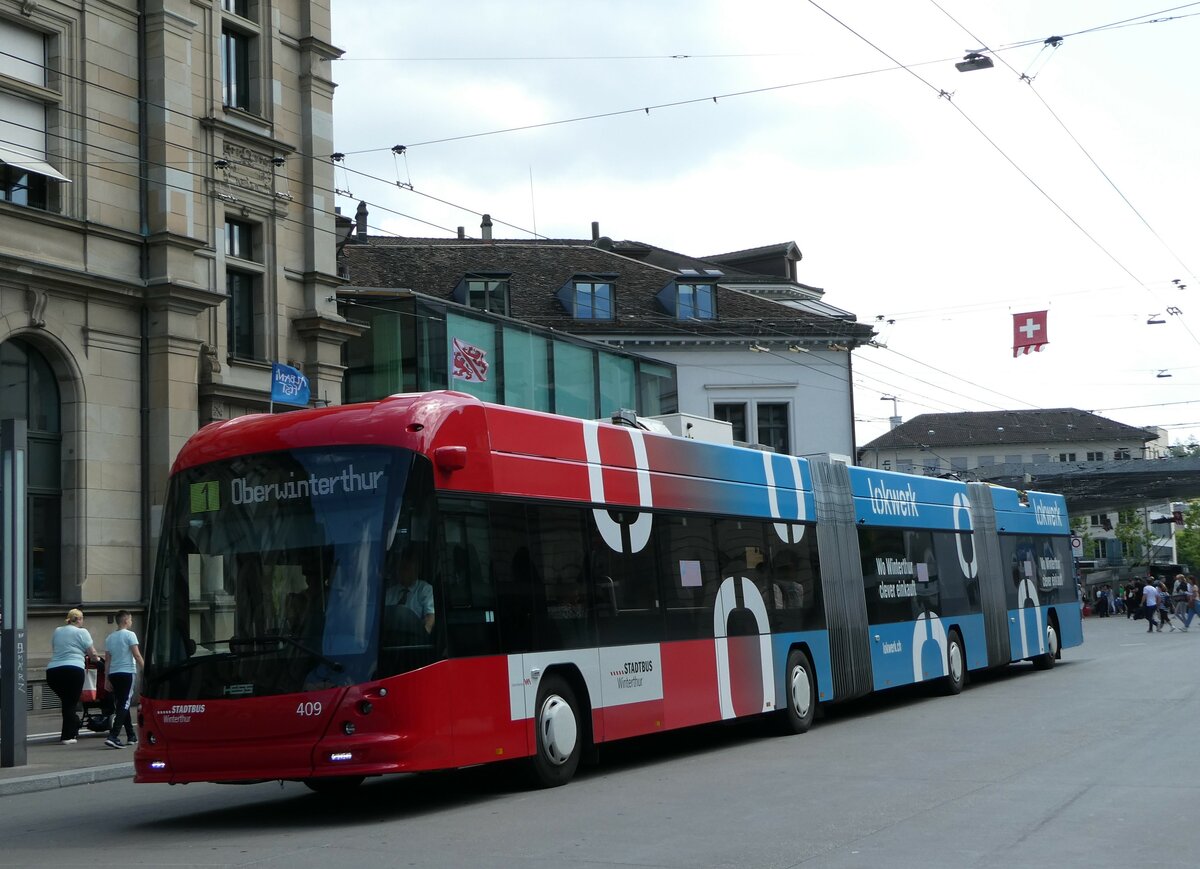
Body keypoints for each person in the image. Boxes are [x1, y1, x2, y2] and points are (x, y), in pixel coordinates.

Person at [45, 608, 100, 744]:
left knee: (67, 702)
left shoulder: (58, 630)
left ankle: (71, 726)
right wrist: (99, 661)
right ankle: (68, 736)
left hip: (53, 671)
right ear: (80, 619)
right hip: (73, 670)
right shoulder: (82, 632)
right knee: (70, 703)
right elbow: (92, 654)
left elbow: (55, 648)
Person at [102, 610, 144, 748]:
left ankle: (131, 735)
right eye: (131, 619)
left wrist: (107, 678)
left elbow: (107, 660)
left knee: (121, 703)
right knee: (124, 704)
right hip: (127, 672)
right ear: (126, 621)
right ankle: (113, 736)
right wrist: (145, 668)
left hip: (114, 673)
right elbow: (136, 655)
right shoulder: (130, 635)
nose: (131, 622)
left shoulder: (109, 638)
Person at [384, 550, 434, 634]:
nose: (402, 572)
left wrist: (423, 637)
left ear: (416, 570)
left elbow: (430, 617)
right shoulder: (390, 592)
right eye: (400, 568)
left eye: (406, 568)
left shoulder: (425, 589)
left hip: (414, 639)